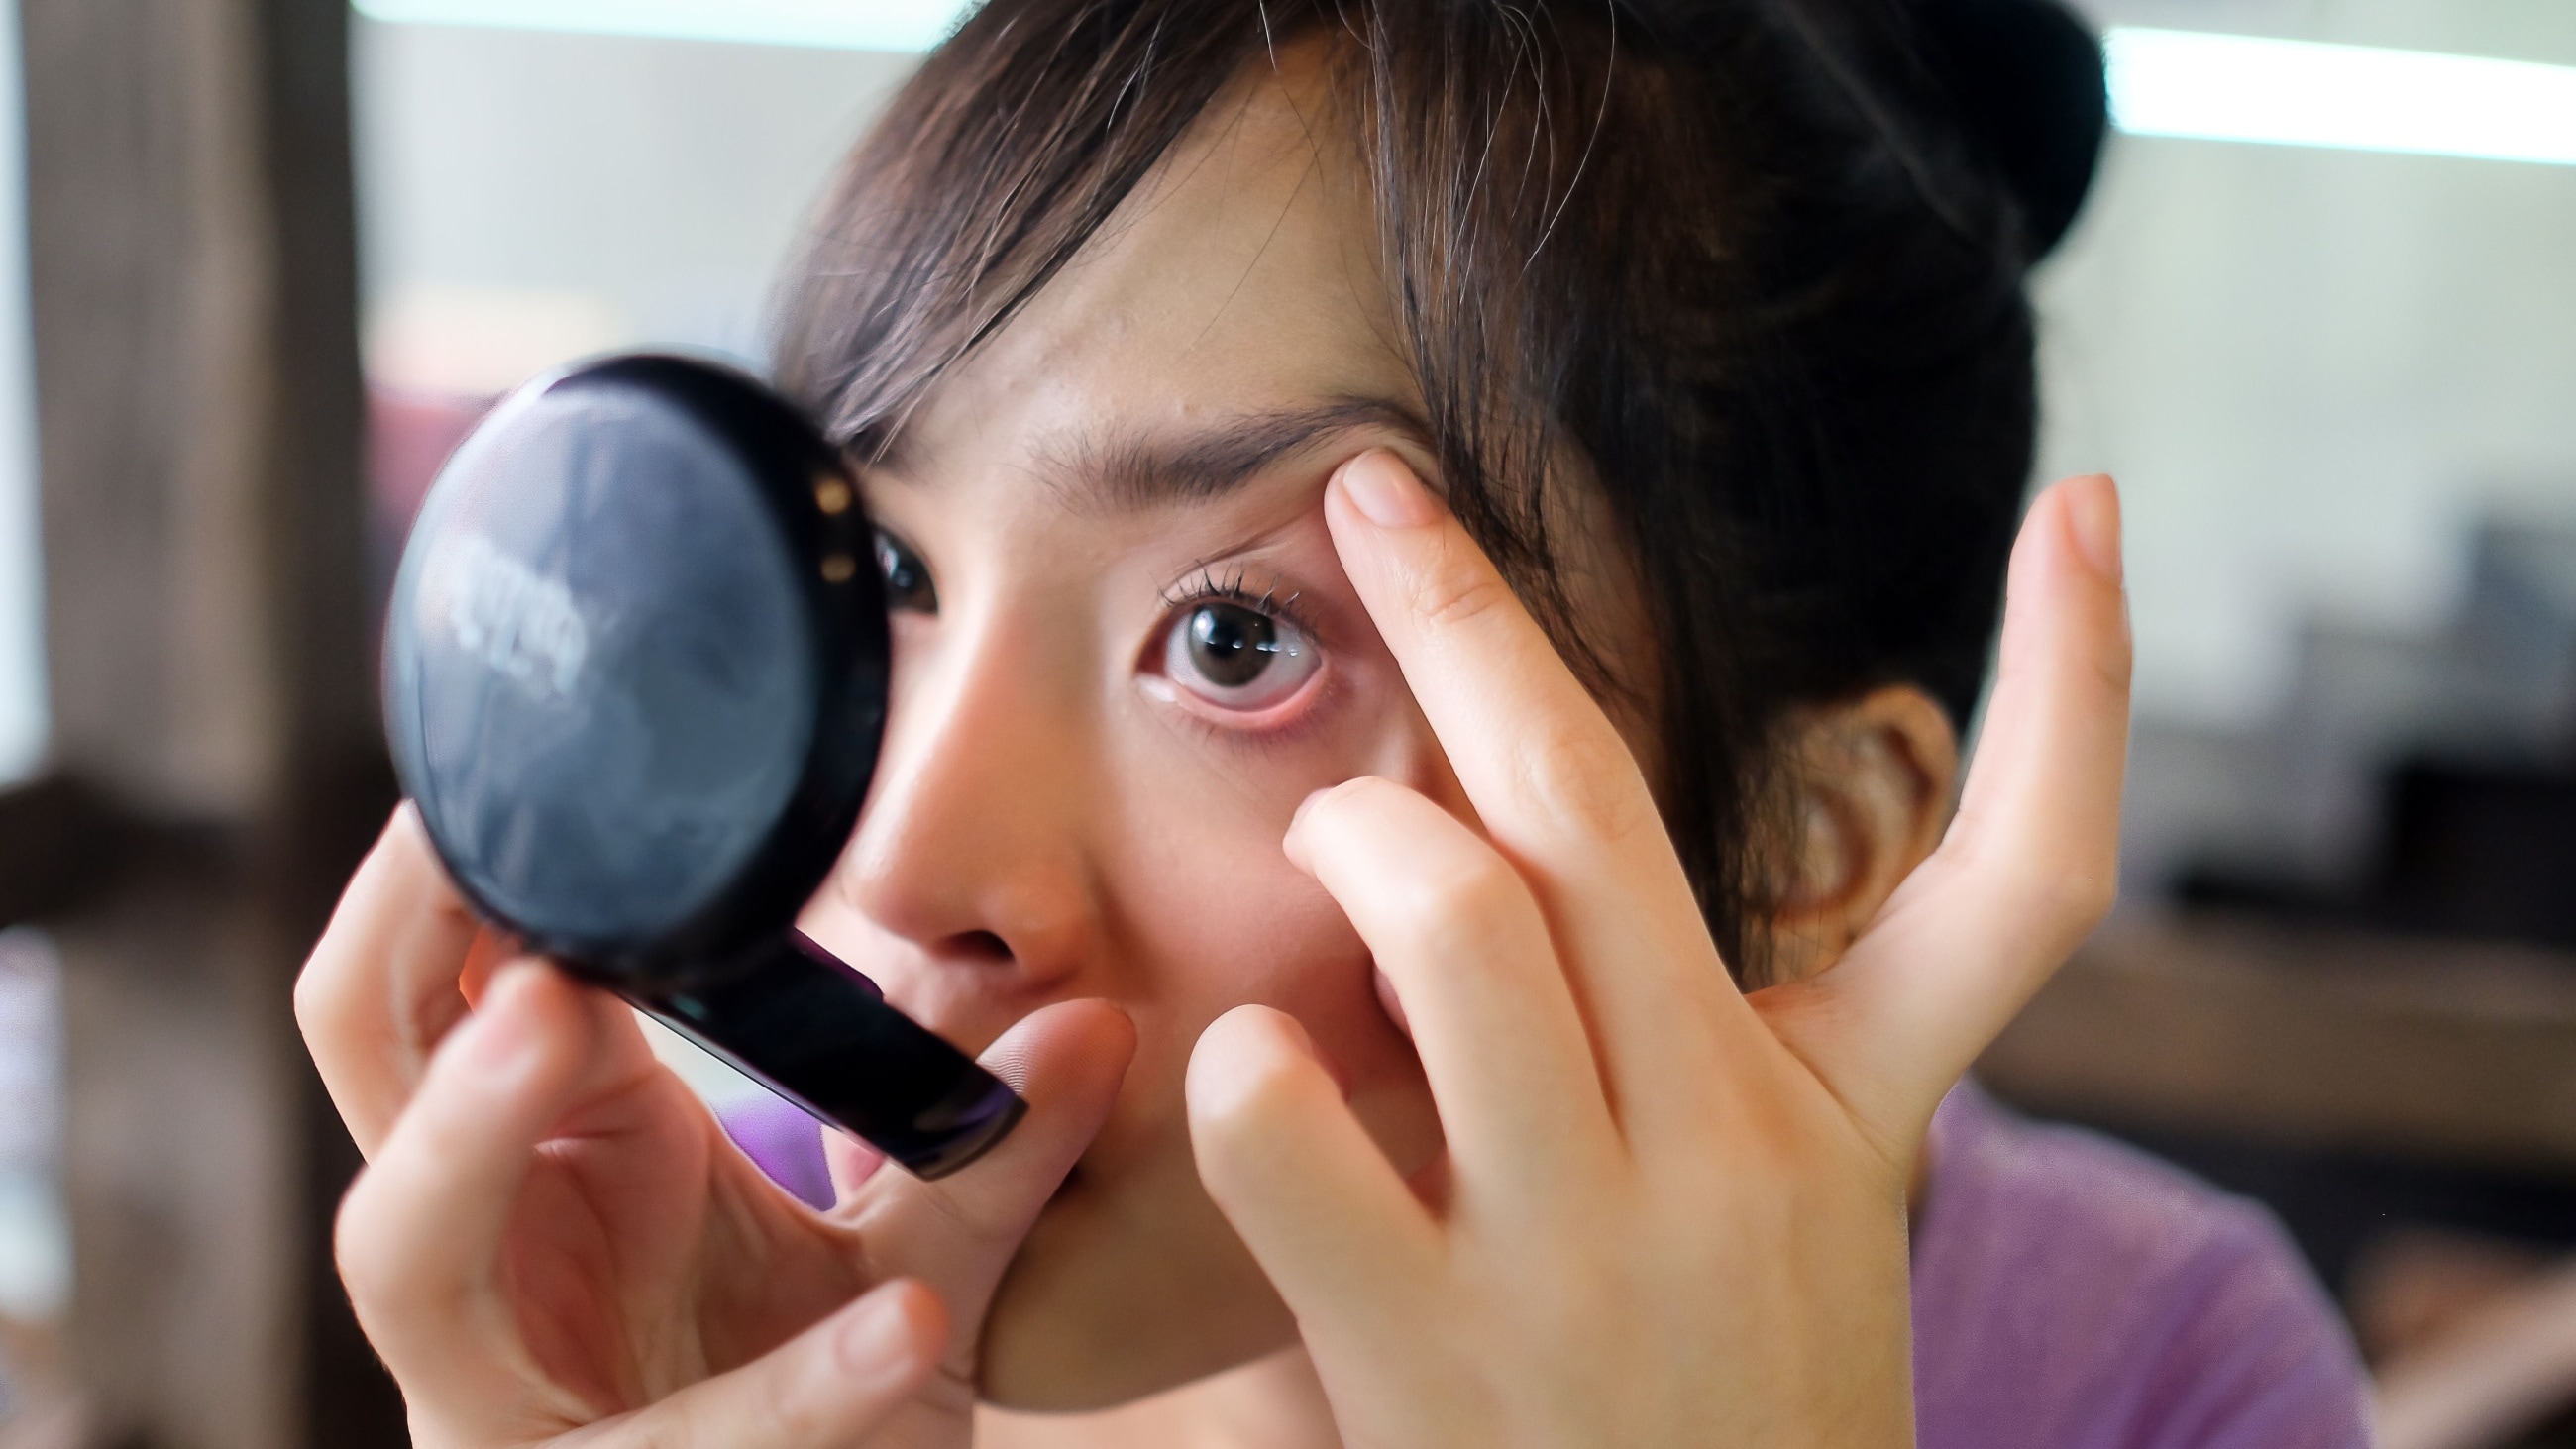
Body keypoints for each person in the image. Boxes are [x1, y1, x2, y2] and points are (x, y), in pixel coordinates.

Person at [295, 1, 2371, 1444]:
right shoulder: (731, 1250)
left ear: (1813, 845)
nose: (905, 870)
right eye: (893, 584)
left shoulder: (2151, 1377)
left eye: (1233, 645)